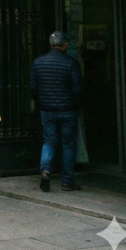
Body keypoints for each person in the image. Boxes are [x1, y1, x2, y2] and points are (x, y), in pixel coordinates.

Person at [30, 31, 83, 192]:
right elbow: (78, 88)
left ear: (50, 45)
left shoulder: (38, 62)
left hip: (47, 109)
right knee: (68, 145)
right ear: (65, 45)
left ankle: (46, 171)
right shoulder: (71, 63)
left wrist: (41, 101)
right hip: (67, 109)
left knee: (49, 141)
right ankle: (67, 181)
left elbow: (33, 89)